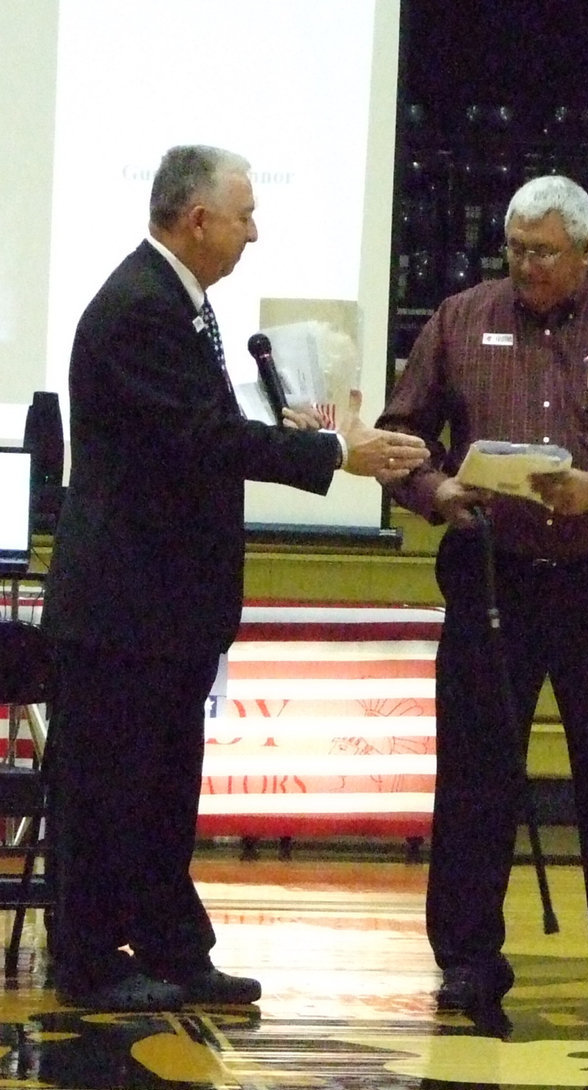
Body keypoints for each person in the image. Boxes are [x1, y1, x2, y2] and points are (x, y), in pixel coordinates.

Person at [41, 144, 428, 1012]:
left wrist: (289, 425)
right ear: (199, 219)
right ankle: (93, 961)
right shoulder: (141, 307)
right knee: (109, 792)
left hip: (162, 604)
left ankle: (175, 949)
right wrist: (336, 450)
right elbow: (203, 441)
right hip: (124, 605)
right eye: (246, 215)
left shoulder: (179, 304)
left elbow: (198, 429)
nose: (257, 230)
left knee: (162, 787)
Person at [376, 174, 588, 1025]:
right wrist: (436, 490)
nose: (527, 266)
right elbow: (401, 434)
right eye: (517, 250)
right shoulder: (458, 320)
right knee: (477, 778)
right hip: (496, 580)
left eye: (544, 252)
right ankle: (467, 961)